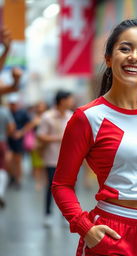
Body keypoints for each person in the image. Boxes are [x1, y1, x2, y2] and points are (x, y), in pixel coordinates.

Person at [52, 19, 137, 256]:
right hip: (112, 233)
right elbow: (61, 184)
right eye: (125, 48)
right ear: (109, 59)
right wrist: (85, 228)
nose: (134, 57)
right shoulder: (88, 117)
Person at [37, 91, 73, 227]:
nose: (71, 102)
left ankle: (67, 215)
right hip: (51, 158)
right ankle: (48, 214)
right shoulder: (47, 117)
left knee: (68, 188)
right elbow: (40, 136)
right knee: (51, 187)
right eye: (69, 99)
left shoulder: (71, 116)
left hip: (69, 159)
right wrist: (58, 139)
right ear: (62, 101)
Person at [7, 93, 33, 189]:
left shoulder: (22, 112)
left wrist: (21, 132)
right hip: (9, 139)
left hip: (18, 140)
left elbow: (29, 123)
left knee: (18, 160)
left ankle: (17, 179)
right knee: (9, 160)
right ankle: (11, 177)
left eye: (14, 103)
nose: (13, 105)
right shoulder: (7, 112)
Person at [0, 99, 15, 208]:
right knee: (2, 167)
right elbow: (11, 127)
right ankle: (0, 192)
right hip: (2, 141)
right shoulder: (4, 111)